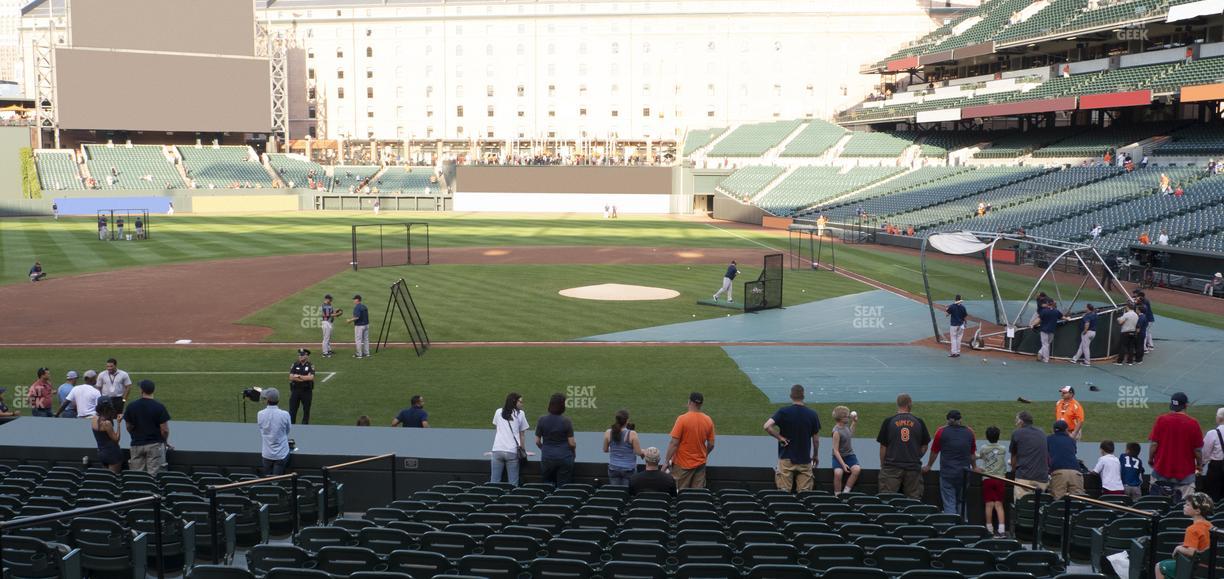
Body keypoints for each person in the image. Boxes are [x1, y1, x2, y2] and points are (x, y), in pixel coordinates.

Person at [764, 384, 821, 493]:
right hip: (804, 459)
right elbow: (816, 440)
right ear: (803, 396)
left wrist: (780, 437)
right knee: (805, 495)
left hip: (786, 458)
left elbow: (767, 426)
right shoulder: (812, 414)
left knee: (784, 494)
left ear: (791, 396)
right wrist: (815, 455)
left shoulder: (783, 412)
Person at [1149, 392, 1204, 499]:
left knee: (1157, 506)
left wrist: (1151, 459)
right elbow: (1197, 450)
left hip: (1161, 471)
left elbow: (1154, 444)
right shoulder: (1193, 423)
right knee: (1183, 511)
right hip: (1185, 475)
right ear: (1186, 405)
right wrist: (1199, 465)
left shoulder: (1161, 420)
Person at [877, 393, 931, 499]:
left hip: (891, 467)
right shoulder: (919, 422)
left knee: (887, 501)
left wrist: (883, 465)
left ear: (898, 404)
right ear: (909, 404)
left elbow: (883, 447)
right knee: (913, 502)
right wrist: (916, 456)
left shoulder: (889, 422)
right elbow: (925, 446)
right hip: (913, 468)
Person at [924, 410, 977, 518]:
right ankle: (963, 528)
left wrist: (929, 465)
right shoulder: (969, 432)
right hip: (964, 474)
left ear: (948, 420)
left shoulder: (941, 432)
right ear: (960, 420)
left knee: (949, 503)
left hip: (947, 474)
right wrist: (975, 467)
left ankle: (951, 527)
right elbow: (972, 454)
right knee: (962, 502)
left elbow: (934, 451)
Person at [1154, 493, 1215, 579]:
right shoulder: (1210, 525)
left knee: (1159, 566)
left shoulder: (1192, 529)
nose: (1184, 506)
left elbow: (1192, 552)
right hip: (1209, 565)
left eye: (1187, 505)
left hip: (1196, 567)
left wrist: (1178, 548)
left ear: (1197, 511)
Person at [666, 392, 716, 490]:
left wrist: (666, 461)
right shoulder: (708, 420)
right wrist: (704, 454)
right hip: (700, 465)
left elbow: (674, 443)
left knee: (680, 494)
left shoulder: (682, 419)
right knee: (697, 496)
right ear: (701, 404)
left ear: (689, 402)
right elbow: (711, 444)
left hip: (682, 465)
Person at [123, 380, 170, 475]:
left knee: (137, 477)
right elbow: (164, 430)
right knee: (154, 476)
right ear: (153, 390)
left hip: (136, 445)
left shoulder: (131, 406)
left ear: (141, 390)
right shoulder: (159, 407)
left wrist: (136, 435)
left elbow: (128, 426)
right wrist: (164, 441)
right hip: (155, 446)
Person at [536, 393, 576, 487]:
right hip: (564, 457)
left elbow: (537, 441)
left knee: (547, 487)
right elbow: (572, 443)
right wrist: (573, 453)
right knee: (563, 487)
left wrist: (544, 449)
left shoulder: (542, 420)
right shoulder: (566, 421)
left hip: (547, 458)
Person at [491, 393, 530, 485]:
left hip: (497, 450)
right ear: (514, 402)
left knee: (494, 482)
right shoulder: (521, 414)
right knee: (513, 484)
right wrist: (523, 450)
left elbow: (498, 430)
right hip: (512, 452)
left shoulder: (498, 412)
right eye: (520, 401)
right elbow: (522, 435)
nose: (522, 403)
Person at [976, 426, 1008, 537]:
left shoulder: (984, 448)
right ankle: (1002, 530)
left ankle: (989, 529)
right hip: (1000, 479)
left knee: (989, 505)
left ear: (986, 436)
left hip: (988, 479)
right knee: (999, 505)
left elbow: (980, 456)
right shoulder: (1003, 449)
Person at [1010, 411, 1050, 499]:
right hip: (1042, 479)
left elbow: (1013, 456)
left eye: (1017, 420)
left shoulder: (1017, 433)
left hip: (1024, 478)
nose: (1016, 423)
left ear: (1021, 421)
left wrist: (1013, 471)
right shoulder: (1042, 433)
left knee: (1022, 507)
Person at [257, 388, 291, 476]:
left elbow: (261, 429)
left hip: (267, 454)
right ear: (278, 400)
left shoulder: (260, 414)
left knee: (268, 479)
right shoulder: (285, 414)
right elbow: (287, 430)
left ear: (267, 400)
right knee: (276, 480)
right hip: (281, 454)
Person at [604, 409, 642, 487]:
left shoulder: (608, 432)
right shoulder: (632, 434)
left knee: (615, 493)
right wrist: (644, 451)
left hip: (613, 468)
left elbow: (605, 449)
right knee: (626, 494)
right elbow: (638, 452)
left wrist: (615, 449)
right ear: (627, 420)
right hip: (629, 470)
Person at [1047, 420, 1083, 499]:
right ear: (1066, 430)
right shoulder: (1071, 440)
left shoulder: (1049, 439)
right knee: (1077, 503)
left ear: (1053, 430)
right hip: (1076, 472)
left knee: (1059, 503)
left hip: (1059, 472)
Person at [831, 406, 861, 495]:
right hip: (838, 457)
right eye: (847, 416)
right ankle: (837, 494)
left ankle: (845, 492)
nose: (849, 417)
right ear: (841, 419)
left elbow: (850, 434)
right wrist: (843, 465)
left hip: (849, 455)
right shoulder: (836, 432)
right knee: (838, 473)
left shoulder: (845, 426)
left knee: (856, 470)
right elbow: (835, 450)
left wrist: (854, 422)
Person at [92, 402, 124, 473]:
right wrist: (119, 423)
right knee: (113, 479)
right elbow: (116, 439)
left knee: (105, 479)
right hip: (112, 454)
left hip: (101, 453)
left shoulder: (94, 419)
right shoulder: (107, 423)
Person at [288, 348, 315, 425]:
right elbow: (291, 377)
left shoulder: (310, 365)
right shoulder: (295, 364)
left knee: (306, 410)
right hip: (295, 391)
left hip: (306, 391)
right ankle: (292, 426)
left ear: (307, 356)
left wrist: (298, 376)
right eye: (299, 355)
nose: (300, 356)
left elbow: (311, 377)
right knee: (292, 410)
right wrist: (304, 378)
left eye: (302, 355)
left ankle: (304, 427)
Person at [1202, 408, 1224, 501]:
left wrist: (1200, 465)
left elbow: (1205, 453)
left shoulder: (1213, 433)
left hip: (1216, 468)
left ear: (1219, 418)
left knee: (1214, 496)